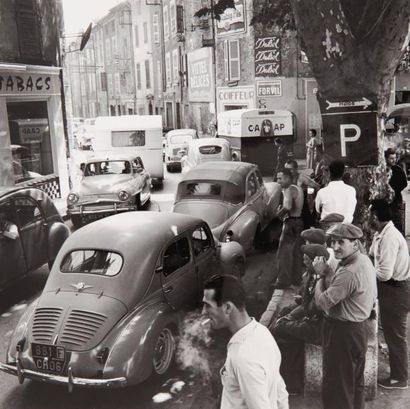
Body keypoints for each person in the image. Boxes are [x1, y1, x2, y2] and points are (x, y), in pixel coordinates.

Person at [313, 223, 377, 409]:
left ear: (355, 244)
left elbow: (322, 303)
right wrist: (328, 272)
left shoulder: (348, 272)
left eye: (341, 242)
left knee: (337, 389)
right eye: (333, 241)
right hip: (358, 331)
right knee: (355, 384)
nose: (334, 247)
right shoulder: (363, 261)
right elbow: (344, 288)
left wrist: (319, 276)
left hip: (342, 334)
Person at [202, 274, 289, 409]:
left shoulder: (242, 357)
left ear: (228, 308)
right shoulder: (262, 331)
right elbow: (280, 390)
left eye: (207, 306)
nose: (203, 312)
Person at [368, 199, 410, 389]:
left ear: (375, 216)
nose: (368, 217)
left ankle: (400, 378)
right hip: (390, 290)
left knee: (395, 335)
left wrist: (365, 273)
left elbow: (384, 274)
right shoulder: (380, 233)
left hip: (396, 290)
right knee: (392, 333)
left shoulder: (390, 238)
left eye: (370, 214)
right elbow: (370, 255)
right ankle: (398, 374)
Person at [274, 169, 304, 289]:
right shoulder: (298, 188)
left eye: (280, 178)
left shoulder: (288, 189)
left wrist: (277, 216)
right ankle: (296, 279)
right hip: (299, 221)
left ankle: (283, 281)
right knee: (296, 252)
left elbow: (287, 206)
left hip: (291, 222)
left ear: (287, 178)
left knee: (284, 253)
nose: (278, 181)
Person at [284, 159, 319, 229]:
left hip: (303, 212)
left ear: (296, 169)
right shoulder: (285, 178)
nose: (288, 172)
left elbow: (317, 186)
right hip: (290, 212)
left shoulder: (302, 178)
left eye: (291, 169)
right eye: (286, 170)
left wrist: (316, 200)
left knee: (304, 232)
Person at [385, 148, 407, 234]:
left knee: (397, 224)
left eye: (395, 158)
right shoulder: (382, 170)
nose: (394, 160)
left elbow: (404, 183)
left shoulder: (398, 169)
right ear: (386, 158)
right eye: (391, 158)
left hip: (396, 200)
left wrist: (395, 190)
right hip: (385, 202)